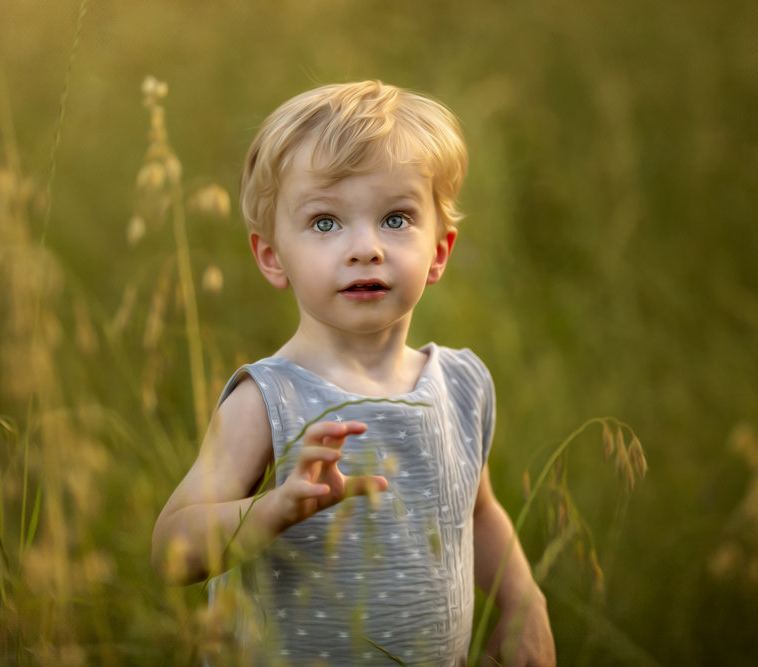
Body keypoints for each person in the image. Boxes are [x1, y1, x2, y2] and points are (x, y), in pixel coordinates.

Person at [152, 80, 555, 666]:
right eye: (324, 223)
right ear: (272, 256)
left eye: (396, 219)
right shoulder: (270, 398)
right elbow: (171, 547)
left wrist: (525, 603)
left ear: (439, 251)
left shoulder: (461, 386)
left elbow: (480, 510)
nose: (365, 247)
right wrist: (274, 509)